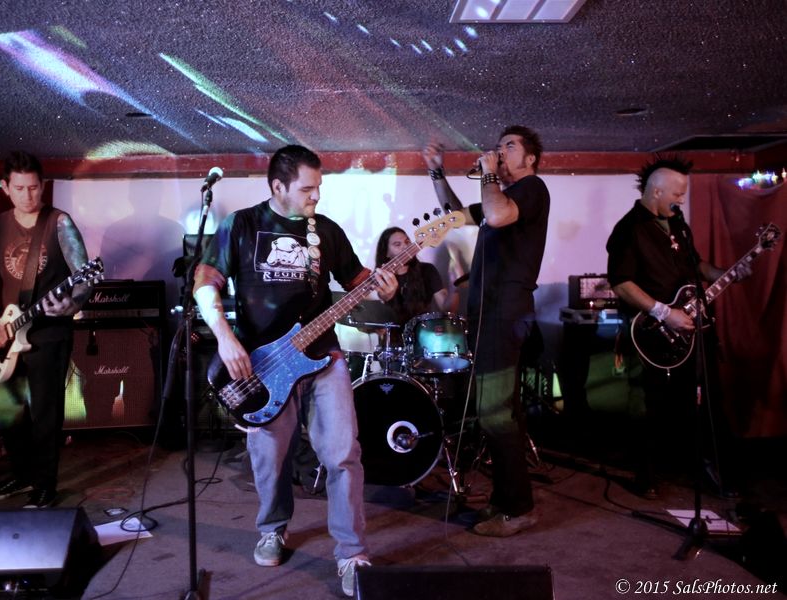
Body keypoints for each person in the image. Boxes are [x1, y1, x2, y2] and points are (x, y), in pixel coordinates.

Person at [193, 144, 397, 597]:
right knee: (270, 456)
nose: (316, 196)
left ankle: (352, 552)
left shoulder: (326, 231)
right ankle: (272, 528)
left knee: (343, 453)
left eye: (318, 187)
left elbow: (358, 280)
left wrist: (383, 285)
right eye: (307, 189)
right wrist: (224, 336)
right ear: (278, 186)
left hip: (323, 356)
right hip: (262, 363)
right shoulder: (241, 225)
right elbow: (205, 282)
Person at [422, 125, 550, 537]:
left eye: (510, 146)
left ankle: (519, 510)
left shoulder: (532, 189)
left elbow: (495, 214)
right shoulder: (504, 197)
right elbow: (456, 216)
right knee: (498, 412)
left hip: (503, 314)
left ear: (530, 158)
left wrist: (490, 173)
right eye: (498, 147)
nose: (499, 151)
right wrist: (437, 173)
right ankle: (506, 500)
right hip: (489, 314)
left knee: (495, 413)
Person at [606, 156, 746, 498]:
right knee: (649, 404)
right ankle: (647, 474)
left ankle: (710, 469)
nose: (682, 199)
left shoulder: (679, 226)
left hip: (691, 330)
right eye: (678, 193)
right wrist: (663, 313)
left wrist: (727, 273)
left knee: (705, 399)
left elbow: (696, 267)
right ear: (657, 191)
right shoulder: (628, 229)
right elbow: (621, 283)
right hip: (651, 332)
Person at [0, 151, 91, 509]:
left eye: (34, 187)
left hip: (49, 333)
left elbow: (84, 278)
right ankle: (21, 475)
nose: (28, 195)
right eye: (20, 188)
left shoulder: (59, 223)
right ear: (5, 187)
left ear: (43, 185)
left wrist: (69, 305)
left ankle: (44, 484)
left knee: (46, 413)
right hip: (7, 333)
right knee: (9, 413)